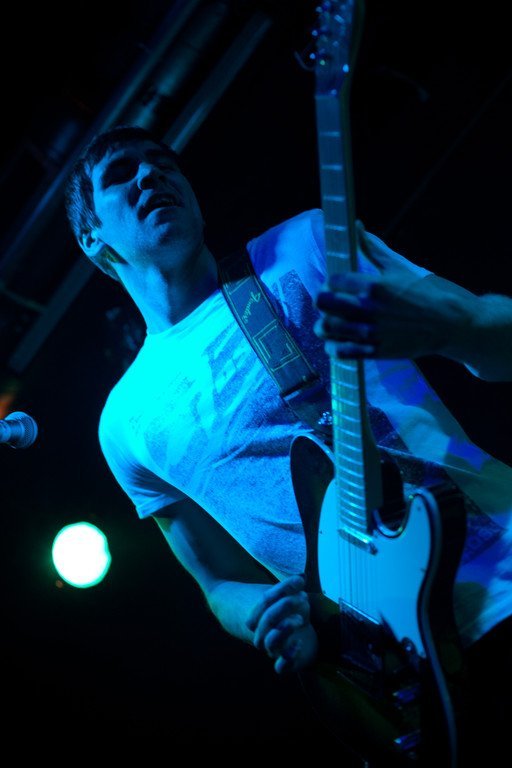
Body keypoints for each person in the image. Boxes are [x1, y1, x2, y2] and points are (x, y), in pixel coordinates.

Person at [64, 124, 511, 763]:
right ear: (92, 239)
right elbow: (217, 581)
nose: (149, 175)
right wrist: (263, 616)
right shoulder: (125, 424)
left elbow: (499, 344)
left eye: (162, 162)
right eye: (120, 174)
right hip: (398, 677)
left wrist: (453, 327)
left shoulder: (303, 247)